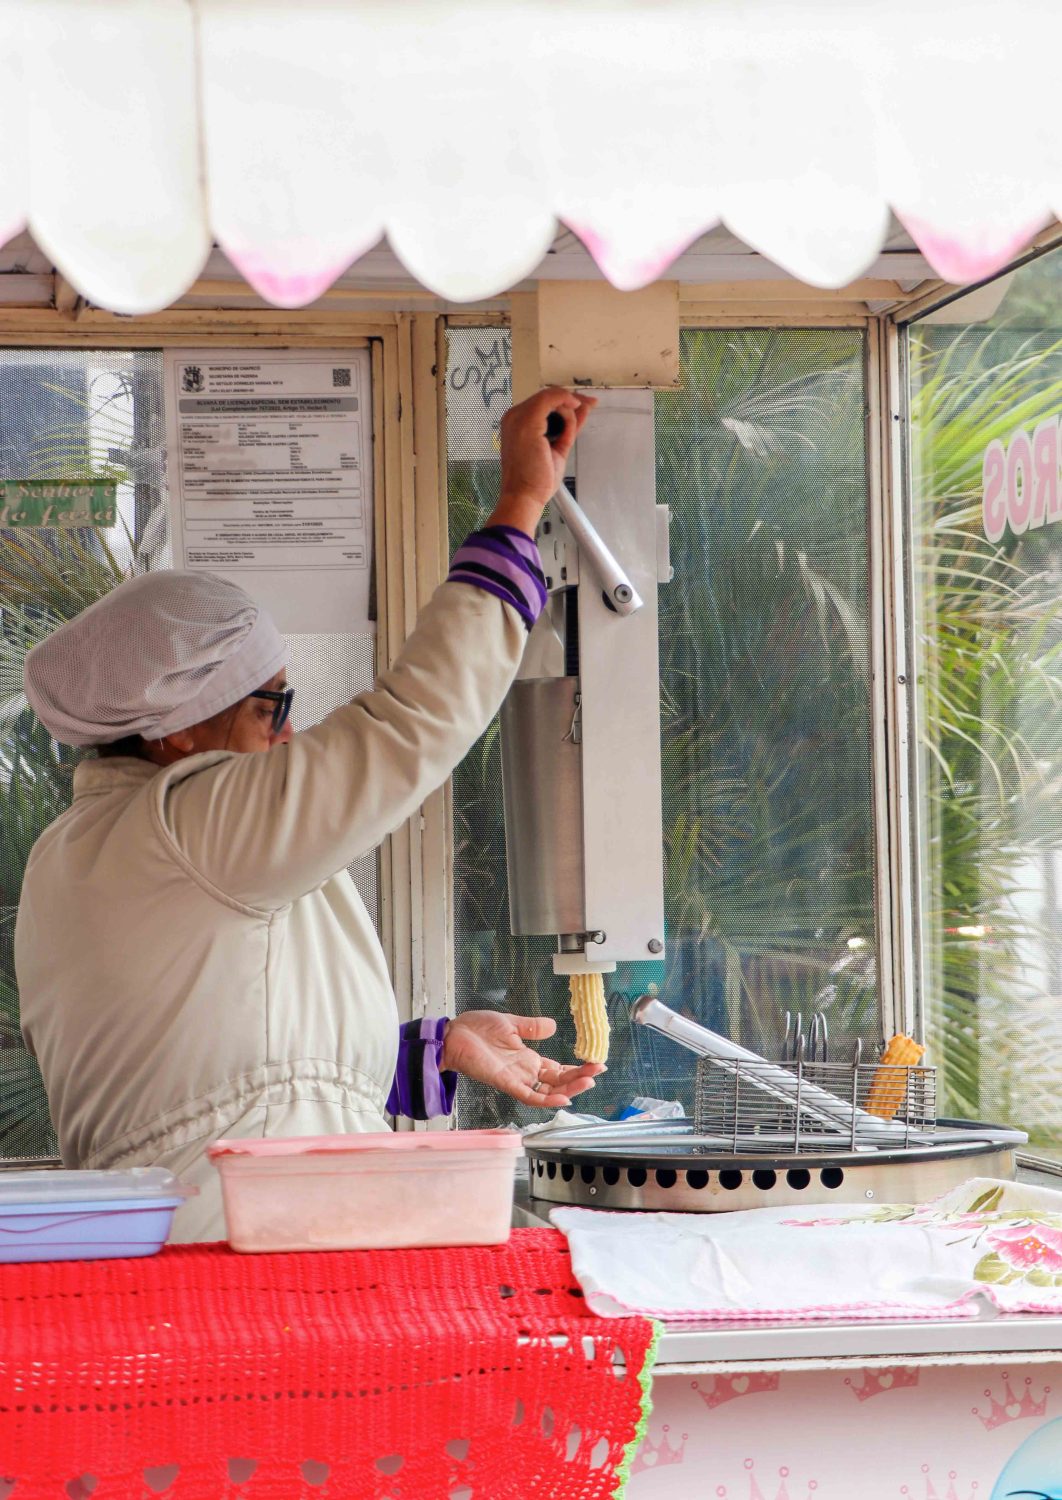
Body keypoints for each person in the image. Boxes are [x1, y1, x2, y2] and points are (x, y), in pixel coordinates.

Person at [15, 387, 601, 1241]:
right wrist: (519, 505)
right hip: (242, 1266)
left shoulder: (87, 850)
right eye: (271, 707)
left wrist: (428, 1051)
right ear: (178, 735)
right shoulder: (191, 827)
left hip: (205, 1250)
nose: (288, 738)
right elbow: (408, 728)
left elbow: (225, 1069)